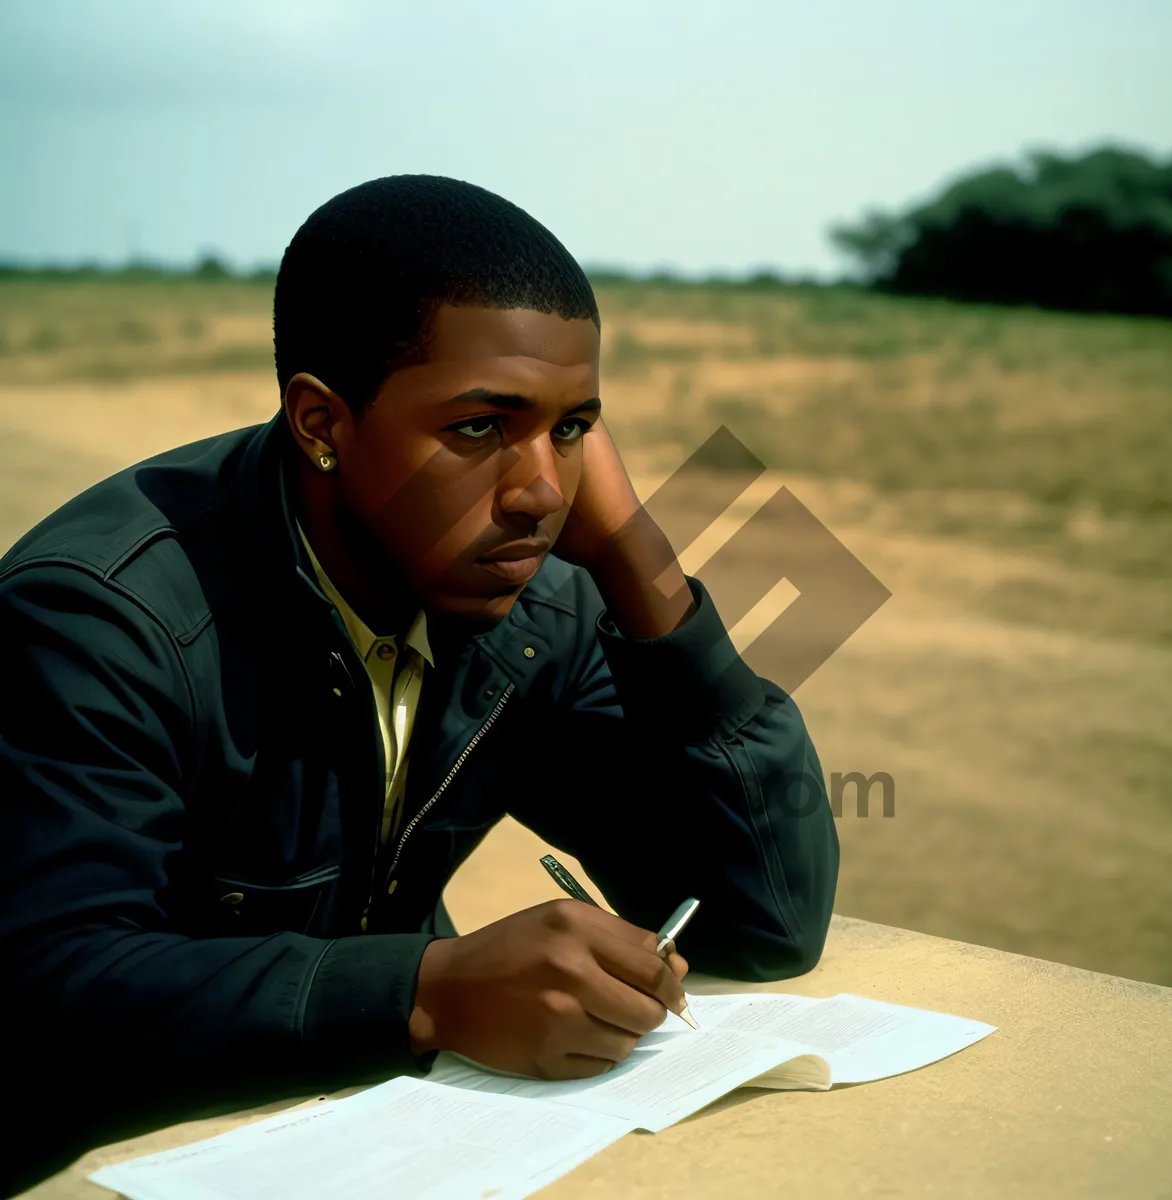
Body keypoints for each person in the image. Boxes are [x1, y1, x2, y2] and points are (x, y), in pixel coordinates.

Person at [0, 175, 838, 1193]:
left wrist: (638, 562)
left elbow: (763, 927)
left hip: (380, 1145)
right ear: (321, 420)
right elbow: (46, 991)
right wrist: (429, 991)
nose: (540, 492)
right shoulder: (100, 620)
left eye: (573, 429)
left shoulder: (537, 611)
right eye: (482, 427)